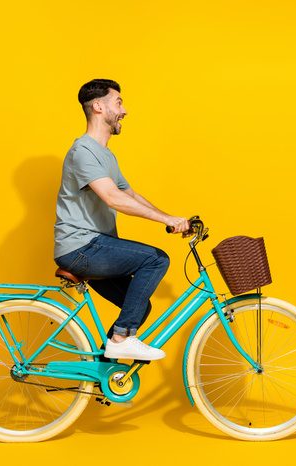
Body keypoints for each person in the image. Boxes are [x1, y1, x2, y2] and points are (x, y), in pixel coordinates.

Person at [54, 79, 190, 361]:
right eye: (119, 103)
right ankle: (119, 339)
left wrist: (171, 219)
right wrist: (166, 219)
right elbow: (113, 198)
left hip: (95, 247)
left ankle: (104, 372)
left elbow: (130, 194)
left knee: (139, 307)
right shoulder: (83, 152)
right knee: (156, 259)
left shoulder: (106, 155)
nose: (124, 111)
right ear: (99, 107)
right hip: (81, 247)